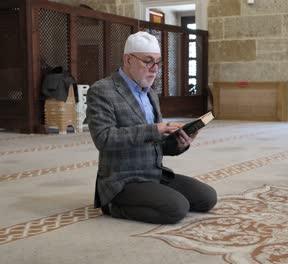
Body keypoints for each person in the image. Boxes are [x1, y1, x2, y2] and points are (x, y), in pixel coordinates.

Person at [86, 31, 217, 224]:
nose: (154, 69)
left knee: (207, 198)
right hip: (122, 180)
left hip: (153, 174)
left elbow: (158, 145)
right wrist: (155, 129)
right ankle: (113, 205)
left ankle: (153, 194)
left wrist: (181, 142)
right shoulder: (102, 90)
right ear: (128, 60)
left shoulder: (150, 94)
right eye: (147, 61)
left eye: (158, 62)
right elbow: (104, 139)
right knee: (176, 208)